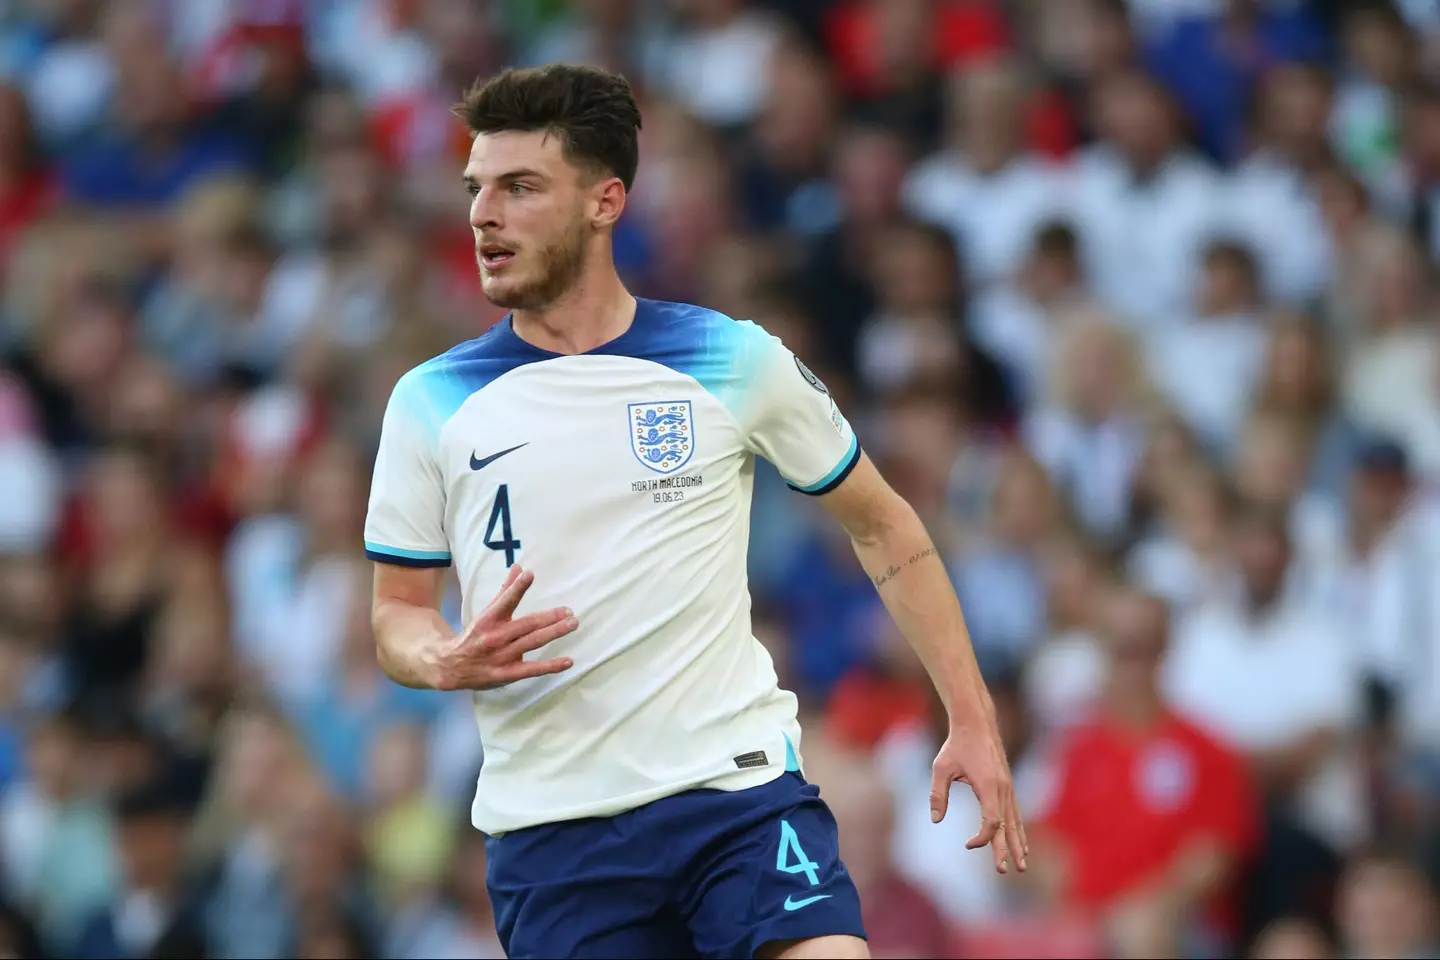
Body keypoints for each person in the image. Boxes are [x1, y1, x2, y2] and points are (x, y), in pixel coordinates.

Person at [363, 63, 1025, 960]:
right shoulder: (429, 401)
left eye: (520, 188)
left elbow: (885, 524)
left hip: (736, 796)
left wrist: (971, 717)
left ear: (605, 202)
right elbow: (397, 612)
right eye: (476, 188)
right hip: (558, 831)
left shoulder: (728, 357)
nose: (483, 214)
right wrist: (443, 657)